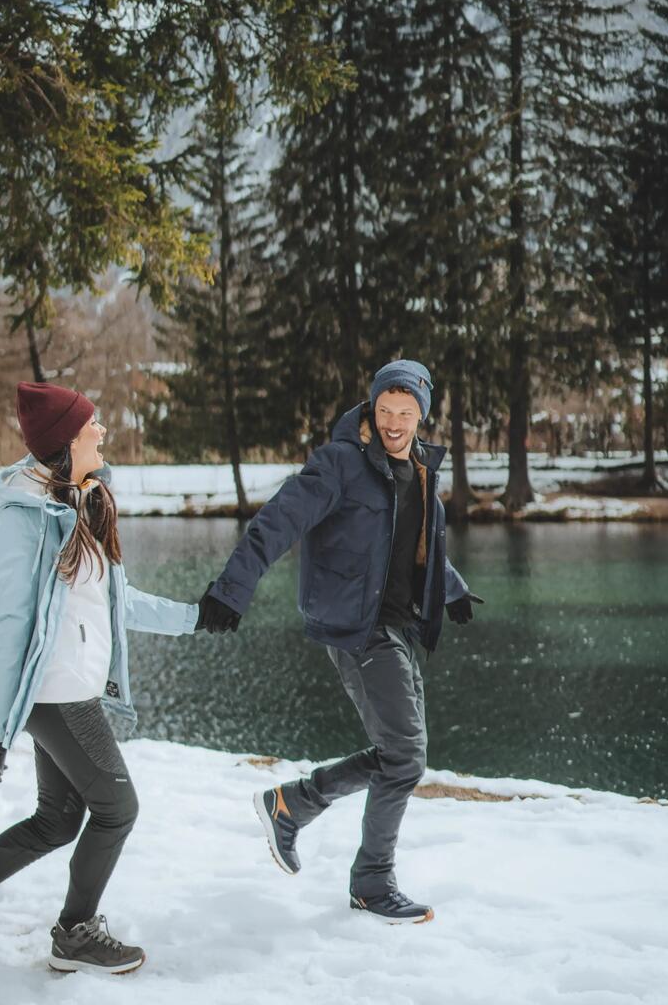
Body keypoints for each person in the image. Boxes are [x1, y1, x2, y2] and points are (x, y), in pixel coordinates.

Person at [0, 382, 209, 984]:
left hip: (73, 689)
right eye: (92, 425)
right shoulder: (23, 518)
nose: (103, 433)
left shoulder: (82, 500)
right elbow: (10, 622)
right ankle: (75, 933)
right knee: (117, 809)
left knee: (58, 822)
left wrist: (195, 617)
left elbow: (117, 602)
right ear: (66, 440)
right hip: (56, 693)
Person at [196, 360, 483, 925]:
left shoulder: (420, 469)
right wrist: (231, 590)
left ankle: (291, 807)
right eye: (385, 411)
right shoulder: (340, 464)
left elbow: (412, 544)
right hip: (358, 629)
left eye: (406, 413)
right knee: (405, 757)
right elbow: (275, 523)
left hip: (397, 625)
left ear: (421, 416)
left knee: (397, 755)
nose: (395, 422)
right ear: (371, 410)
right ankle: (370, 882)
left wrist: (451, 588)